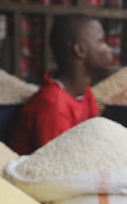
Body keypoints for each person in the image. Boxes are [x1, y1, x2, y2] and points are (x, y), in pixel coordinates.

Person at [9, 15, 112, 154]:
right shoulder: (53, 106)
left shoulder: (83, 92)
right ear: (80, 50)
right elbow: (59, 165)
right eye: (101, 41)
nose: (109, 49)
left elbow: (96, 140)